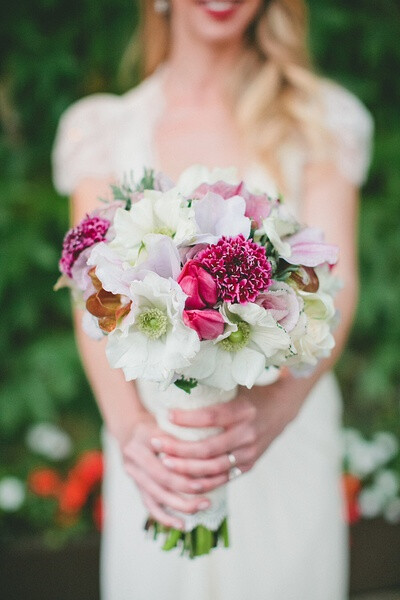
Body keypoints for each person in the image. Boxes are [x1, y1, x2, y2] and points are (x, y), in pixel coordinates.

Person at [52, 0, 373, 598]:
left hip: (283, 426)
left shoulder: (320, 117)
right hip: (157, 437)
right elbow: (89, 296)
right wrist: (131, 433)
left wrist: (276, 409)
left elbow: (338, 282)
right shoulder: (102, 128)